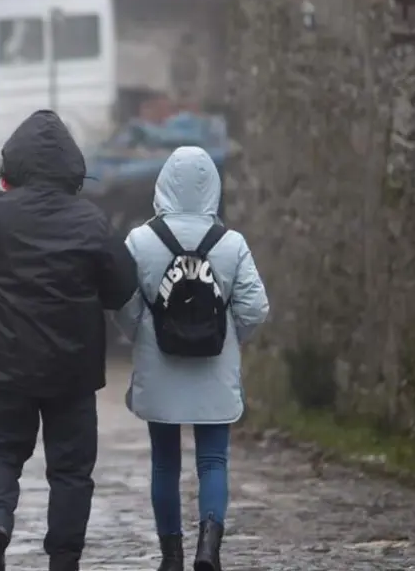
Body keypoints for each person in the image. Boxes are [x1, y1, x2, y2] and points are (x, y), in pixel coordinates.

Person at [0, 110, 139, 571]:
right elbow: (121, 287)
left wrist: (0, 189)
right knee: (71, 470)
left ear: (13, 164)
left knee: (1, 450)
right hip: (71, 370)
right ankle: (63, 558)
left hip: (6, 363)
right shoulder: (93, 222)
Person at [114, 146, 270, 571]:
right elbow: (256, 309)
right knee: (213, 460)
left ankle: (171, 556)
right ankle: (209, 548)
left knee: (164, 462)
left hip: (159, 366)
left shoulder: (140, 241)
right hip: (213, 369)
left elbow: (123, 304)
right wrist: (229, 338)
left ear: (163, 183)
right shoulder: (231, 244)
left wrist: (140, 335)